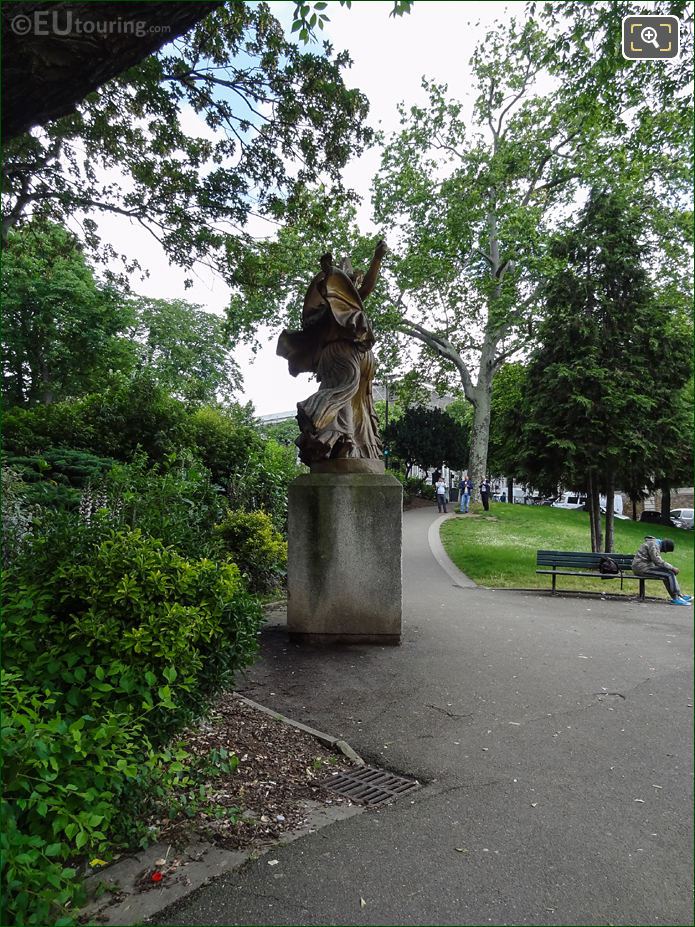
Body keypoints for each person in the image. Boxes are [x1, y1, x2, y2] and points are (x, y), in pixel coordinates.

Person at [631, 537, 692, 606]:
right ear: (664, 547)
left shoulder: (654, 543)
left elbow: (656, 562)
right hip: (642, 568)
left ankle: (678, 596)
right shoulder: (653, 545)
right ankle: (676, 598)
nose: (664, 552)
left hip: (644, 567)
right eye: (665, 551)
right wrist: (672, 568)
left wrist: (669, 568)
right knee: (669, 574)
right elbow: (657, 561)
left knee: (667, 573)